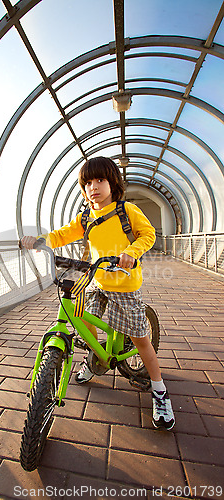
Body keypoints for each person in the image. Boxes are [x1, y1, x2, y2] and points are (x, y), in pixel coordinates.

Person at [21, 156, 175, 430]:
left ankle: (160, 390)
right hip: (97, 281)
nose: (94, 187)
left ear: (112, 183)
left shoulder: (127, 210)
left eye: (100, 180)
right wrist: (39, 241)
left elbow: (147, 235)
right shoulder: (85, 217)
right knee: (82, 321)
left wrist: (130, 253)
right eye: (87, 182)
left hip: (125, 286)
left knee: (140, 340)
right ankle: (95, 362)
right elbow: (62, 235)